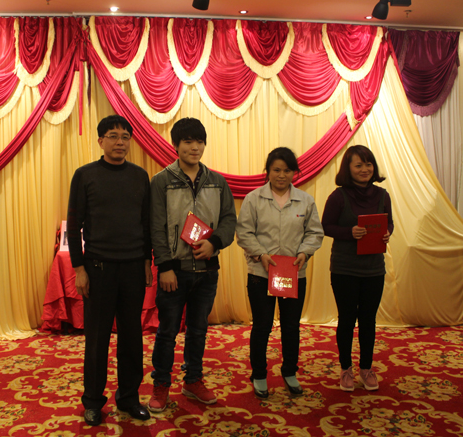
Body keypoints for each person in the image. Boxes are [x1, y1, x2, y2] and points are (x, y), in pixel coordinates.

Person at [66, 115, 153, 426]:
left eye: (125, 137)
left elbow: (146, 223)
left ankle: (129, 398)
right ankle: (92, 401)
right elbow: (73, 225)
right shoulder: (85, 175)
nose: (120, 142)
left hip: (132, 269)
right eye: (113, 136)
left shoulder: (140, 176)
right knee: (97, 339)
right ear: (100, 140)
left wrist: (147, 261)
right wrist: (79, 268)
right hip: (98, 269)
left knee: (132, 338)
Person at [148, 117, 237, 412]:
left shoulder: (217, 181)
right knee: (167, 332)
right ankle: (161, 384)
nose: (194, 147)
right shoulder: (161, 181)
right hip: (174, 271)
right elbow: (156, 227)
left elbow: (229, 219)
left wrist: (215, 242)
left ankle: (193, 380)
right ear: (176, 145)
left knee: (198, 330)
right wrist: (165, 266)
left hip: (207, 271)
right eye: (188, 141)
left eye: (199, 141)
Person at [236, 147, 324, 399]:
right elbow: (244, 232)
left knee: (291, 326)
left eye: (287, 170)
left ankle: (289, 371)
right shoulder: (253, 199)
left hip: (294, 273)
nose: (282, 175)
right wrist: (260, 254)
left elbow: (314, 232)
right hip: (261, 273)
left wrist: (305, 252)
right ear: (268, 171)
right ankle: (259, 374)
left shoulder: (305, 200)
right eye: (276, 170)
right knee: (262, 326)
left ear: (294, 172)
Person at [321, 144, 393, 392]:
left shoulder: (383, 195)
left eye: (368, 164)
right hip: (345, 268)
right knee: (347, 320)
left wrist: (387, 233)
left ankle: (366, 369)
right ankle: (345, 369)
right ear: (348, 169)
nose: (365, 169)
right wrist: (349, 232)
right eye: (359, 165)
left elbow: (389, 223)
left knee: (368, 320)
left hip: (374, 268)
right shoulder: (338, 196)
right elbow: (326, 226)